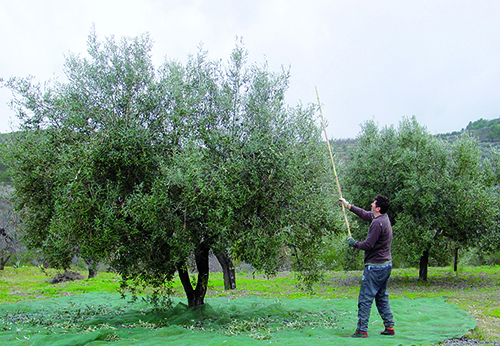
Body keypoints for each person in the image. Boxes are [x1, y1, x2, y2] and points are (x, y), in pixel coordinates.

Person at [339, 195, 395, 338]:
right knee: (381, 297)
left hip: (375, 267)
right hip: (386, 265)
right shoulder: (383, 218)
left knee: (365, 298)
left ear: (378, 208)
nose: (371, 203)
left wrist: (354, 243)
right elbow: (365, 214)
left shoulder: (377, 224)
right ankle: (389, 327)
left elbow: (368, 245)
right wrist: (348, 206)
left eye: (373, 203)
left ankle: (362, 330)